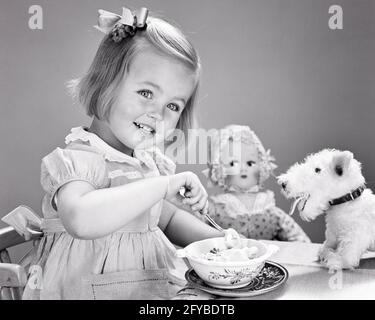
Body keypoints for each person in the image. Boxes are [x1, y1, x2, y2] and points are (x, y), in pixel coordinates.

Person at [15, 7, 225, 299]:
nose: (158, 113)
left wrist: (219, 240)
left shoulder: (147, 164)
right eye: (146, 93)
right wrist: (162, 186)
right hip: (83, 291)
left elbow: (166, 220)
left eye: (174, 106)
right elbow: (81, 219)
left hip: (145, 290)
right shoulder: (81, 159)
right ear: (105, 84)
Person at [195, 125, 311, 242]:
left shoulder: (268, 208)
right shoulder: (214, 209)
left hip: (267, 259)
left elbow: (297, 237)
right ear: (219, 170)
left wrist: (306, 253)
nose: (243, 169)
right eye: (233, 163)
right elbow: (195, 231)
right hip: (226, 259)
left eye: (250, 163)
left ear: (261, 166)